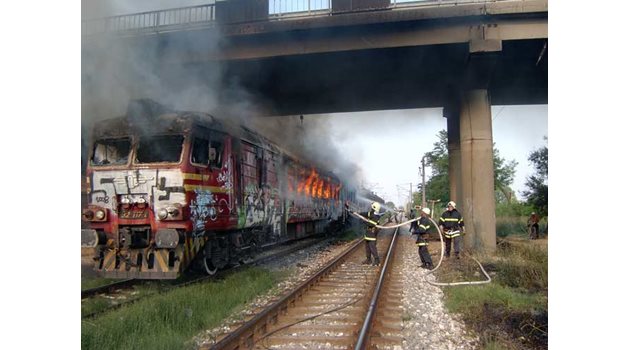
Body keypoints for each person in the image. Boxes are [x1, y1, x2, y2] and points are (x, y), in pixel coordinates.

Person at [361, 202, 382, 266]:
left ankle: (377, 260)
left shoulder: (376, 216)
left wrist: (364, 221)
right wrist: (358, 213)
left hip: (372, 233)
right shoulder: (371, 213)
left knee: (372, 247)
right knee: (367, 247)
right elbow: (366, 214)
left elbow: (371, 224)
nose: (371, 208)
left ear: (374, 208)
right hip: (368, 233)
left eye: (372, 207)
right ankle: (368, 259)